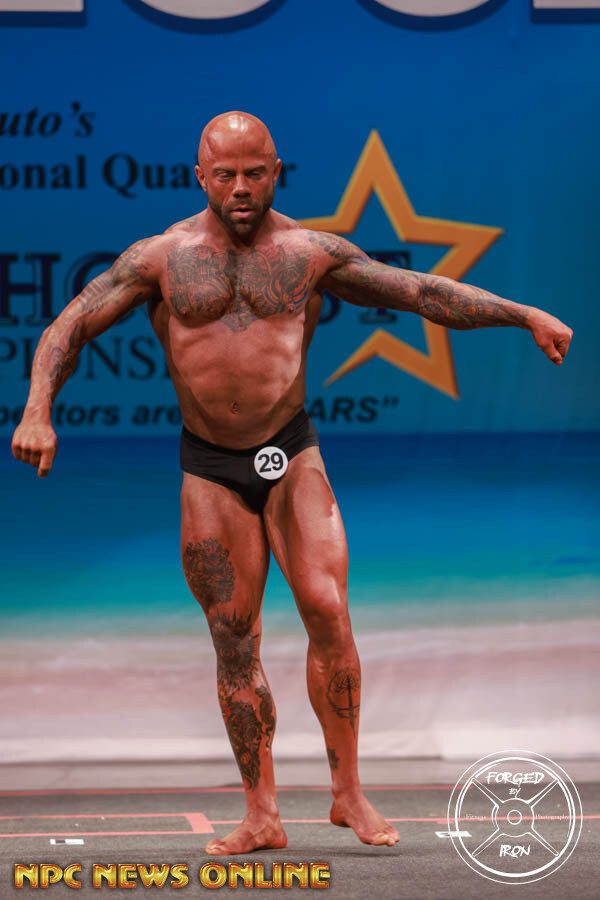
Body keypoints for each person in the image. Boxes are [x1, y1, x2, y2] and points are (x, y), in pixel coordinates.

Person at [11, 111, 573, 856]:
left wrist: (523, 314)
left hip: (290, 453)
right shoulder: (161, 258)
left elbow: (419, 291)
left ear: (277, 171)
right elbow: (69, 327)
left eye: (255, 173)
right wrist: (38, 410)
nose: (241, 188)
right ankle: (261, 814)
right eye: (225, 175)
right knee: (233, 639)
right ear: (200, 176)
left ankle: (347, 793)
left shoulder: (310, 253)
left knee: (329, 612)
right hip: (210, 468)